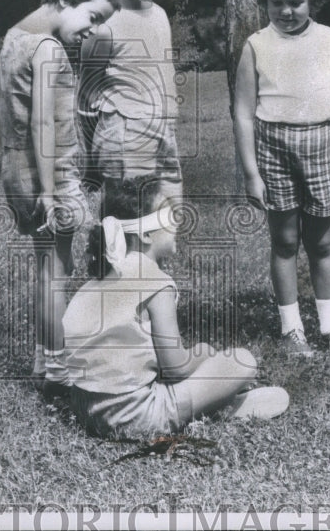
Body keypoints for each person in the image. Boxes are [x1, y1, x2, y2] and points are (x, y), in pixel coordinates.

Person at [63, 176, 290, 439]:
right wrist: (202, 353)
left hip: (85, 409)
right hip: (134, 416)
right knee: (242, 362)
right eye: (170, 216)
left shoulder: (100, 277)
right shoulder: (156, 283)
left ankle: (208, 402)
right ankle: (214, 406)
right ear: (147, 233)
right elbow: (175, 367)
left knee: (199, 363)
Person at [233, 0, 330, 357]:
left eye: (295, 2)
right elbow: (242, 114)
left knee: (323, 243)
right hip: (273, 149)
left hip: (319, 146)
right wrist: (251, 173)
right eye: (277, 3)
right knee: (285, 241)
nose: (287, 11)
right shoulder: (256, 45)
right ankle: (292, 329)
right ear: (265, 2)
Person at [0, 0, 120, 397]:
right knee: (56, 272)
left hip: (19, 169)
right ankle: (56, 371)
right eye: (92, 18)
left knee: (46, 266)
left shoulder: (15, 37)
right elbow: (43, 126)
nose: (92, 31)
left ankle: (42, 355)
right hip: (49, 175)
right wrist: (51, 193)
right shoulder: (48, 50)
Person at [79, 0, 182, 207]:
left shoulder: (160, 14)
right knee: (126, 227)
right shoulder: (104, 24)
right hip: (123, 141)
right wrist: (91, 159)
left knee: (165, 221)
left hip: (163, 134)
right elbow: (87, 94)